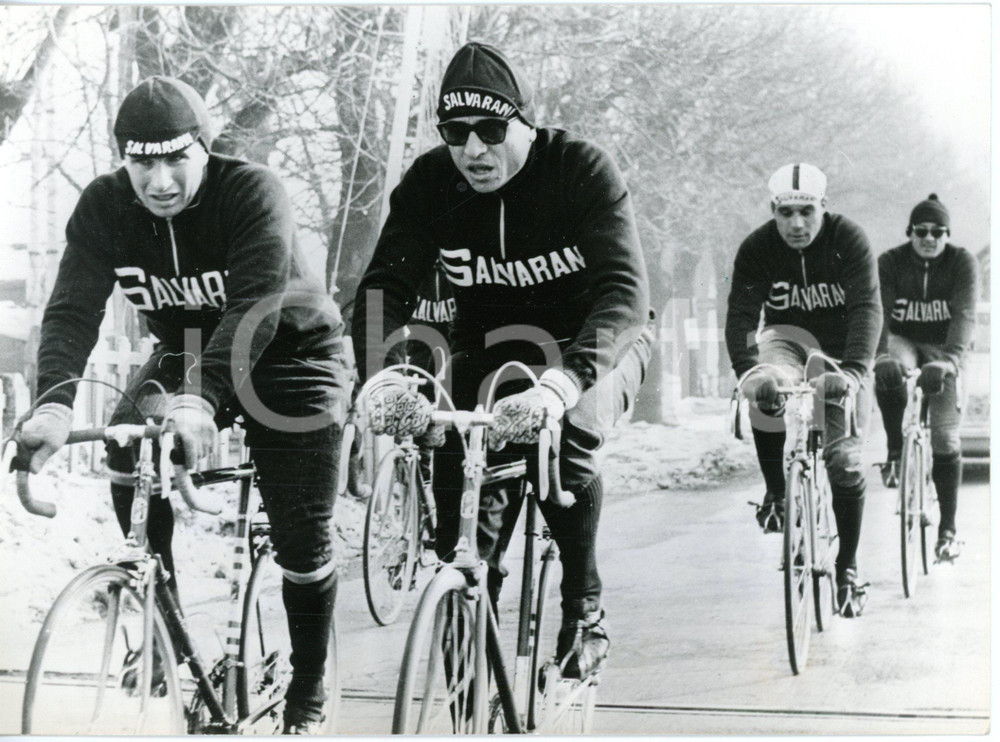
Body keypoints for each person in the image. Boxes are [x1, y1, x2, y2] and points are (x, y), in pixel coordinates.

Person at [17, 76, 348, 733]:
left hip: (293, 352)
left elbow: (254, 308)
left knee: (302, 539)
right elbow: (72, 312)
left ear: (205, 149)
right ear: (125, 162)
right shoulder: (104, 207)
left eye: (176, 159)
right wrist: (53, 406)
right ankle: (165, 627)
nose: (159, 181)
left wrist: (200, 404)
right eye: (142, 162)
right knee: (124, 444)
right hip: (187, 349)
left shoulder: (251, 190)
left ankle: (309, 692)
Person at [352, 42, 653, 679]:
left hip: (593, 344)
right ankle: (468, 598)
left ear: (525, 123)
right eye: (455, 134)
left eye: (492, 131)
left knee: (564, 441)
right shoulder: (433, 182)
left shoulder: (579, 169)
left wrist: (562, 385)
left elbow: (625, 295)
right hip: (494, 344)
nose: (474, 151)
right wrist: (381, 376)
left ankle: (584, 606)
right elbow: (383, 288)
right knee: (454, 455)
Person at [725, 163, 882, 617]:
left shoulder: (849, 239)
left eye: (807, 212)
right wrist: (746, 371)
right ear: (774, 210)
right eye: (786, 213)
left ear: (824, 208)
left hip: (841, 346)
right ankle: (777, 490)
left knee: (845, 460)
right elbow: (740, 315)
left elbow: (867, 308)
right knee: (768, 386)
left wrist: (853, 372)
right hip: (786, 340)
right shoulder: (756, 247)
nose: (796, 224)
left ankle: (848, 566)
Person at [873, 194, 978, 561]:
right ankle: (895, 450)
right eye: (921, 231)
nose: (929, 238)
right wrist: (881, 355)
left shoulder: (962, 262)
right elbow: (879, 313)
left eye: (938, 231)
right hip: (903, 338)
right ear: (910, 232)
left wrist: (949, 361)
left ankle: (947, 529)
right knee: (889, 368)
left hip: (945, 346)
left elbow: (965, 315)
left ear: (947, 234)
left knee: (946, 438)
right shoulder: (890, 262)